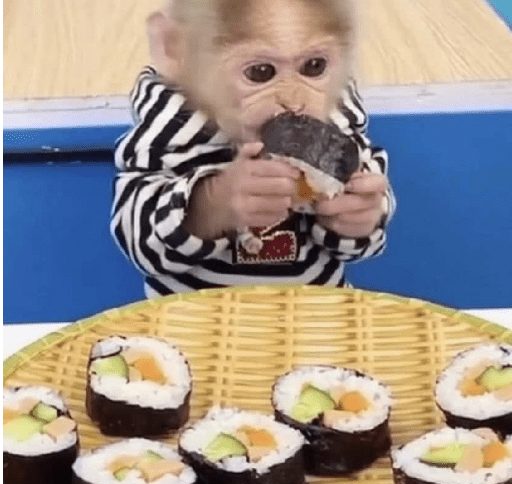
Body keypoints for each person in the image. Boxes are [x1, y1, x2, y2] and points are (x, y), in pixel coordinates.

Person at [111, 0, 396, 297]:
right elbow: (137, 242)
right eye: (260, 72)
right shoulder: (172, 131)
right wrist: (211, 204)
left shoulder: (336, 123)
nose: (294, 101)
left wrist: (360, 218)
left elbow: (363, 239)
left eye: (314, 66)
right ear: (177, 50)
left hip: (315, 317)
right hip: (197, 321)